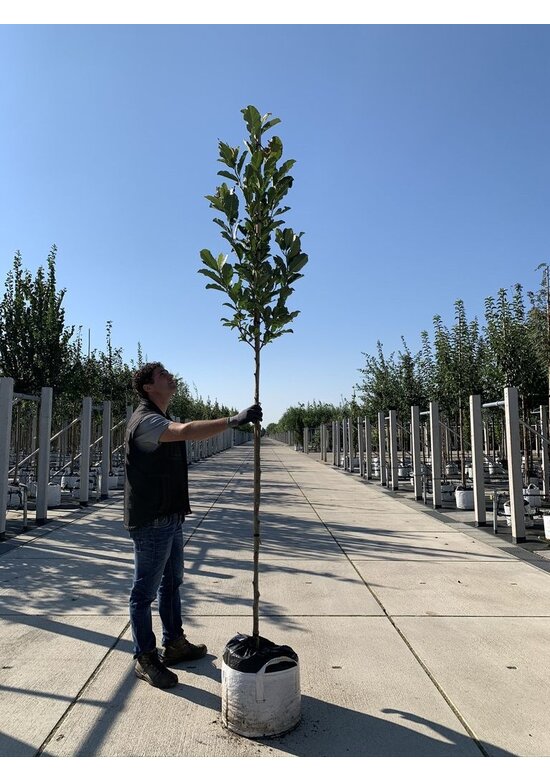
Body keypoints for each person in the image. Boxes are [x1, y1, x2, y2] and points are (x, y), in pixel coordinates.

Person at [124, 361, 262, 689]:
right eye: (162, 375)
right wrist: (234, 420)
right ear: (148, 387)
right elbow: (185, 431)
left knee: (171, 582)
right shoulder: (146, 420)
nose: (170, 376)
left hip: (169, 515)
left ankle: (174, 643)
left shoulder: (159, 416)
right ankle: (144, 657)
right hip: (151, 520)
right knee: (143, 592)